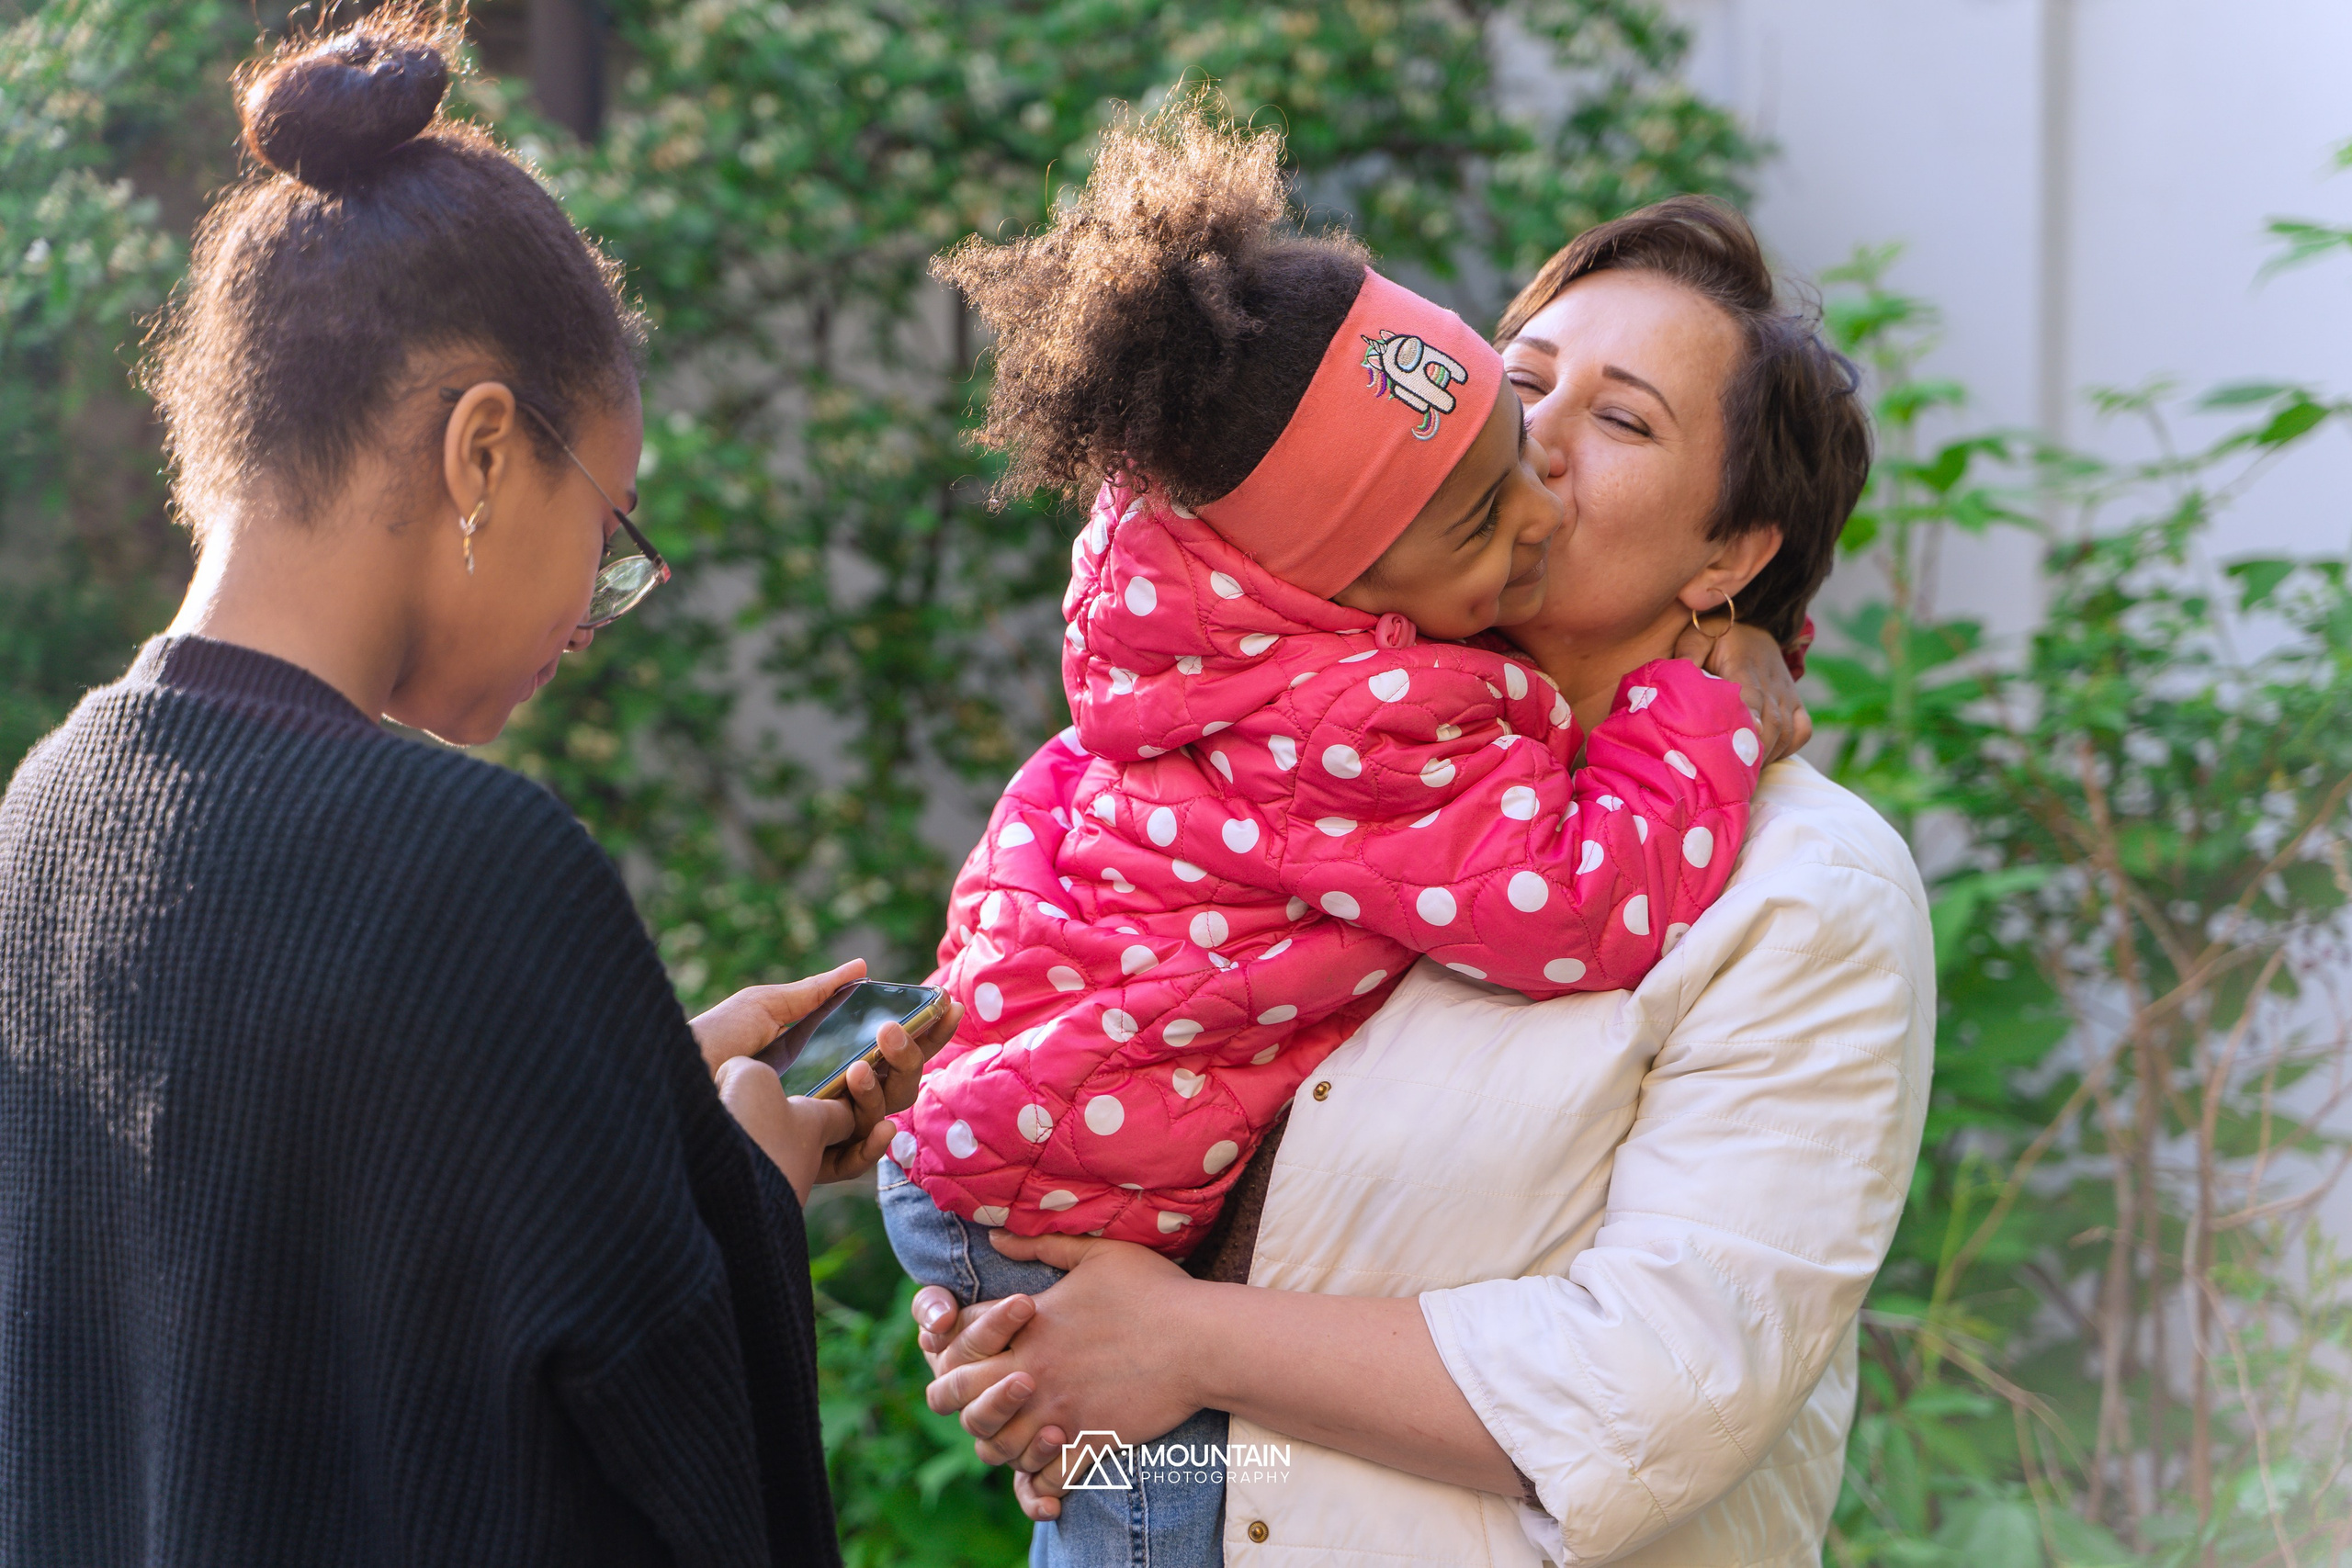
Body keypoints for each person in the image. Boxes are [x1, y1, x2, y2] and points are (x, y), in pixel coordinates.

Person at [0, 13, 945, 1564]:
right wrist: (751, 1197)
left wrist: (632, 1104)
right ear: (484, 452)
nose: (591, 611)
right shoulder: (471, 867)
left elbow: (268, 1278)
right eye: (613, 534)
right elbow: (680, 1465)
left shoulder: (46, 818)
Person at [914, 196, 1934, 1568]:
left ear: (1729, 555)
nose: (1545, 445)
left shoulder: (1807, 892)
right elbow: (1209, 1385)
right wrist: (1050, 1345)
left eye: (1624, 423)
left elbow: (1660, 1392)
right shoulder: (1300, 759)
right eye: (1521, 387)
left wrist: (1179, 1340)